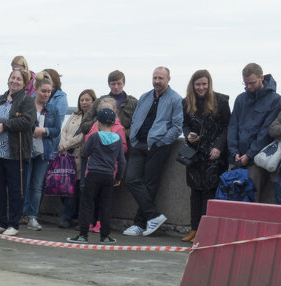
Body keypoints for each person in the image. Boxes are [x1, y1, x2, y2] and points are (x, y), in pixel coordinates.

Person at [123, 66, 182, 237]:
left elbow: (177, 127)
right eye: (155, 78)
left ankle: (139, 224)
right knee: (131, 179)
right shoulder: (145, 96)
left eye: (160, 78)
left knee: (150, 184)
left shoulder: (175, 99)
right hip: (139, 144)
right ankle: (154, 216)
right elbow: (136, 119)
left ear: (168, 79)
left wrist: (162, 142)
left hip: (158, 145)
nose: (157, 81)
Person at [0, 69, 36, 236]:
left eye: (19, 79)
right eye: (13, 77)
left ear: (25, 83)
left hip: (14, 153)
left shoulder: (26, 100)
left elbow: (28, 121)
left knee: (15, 189)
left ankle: (14, 223)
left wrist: (4, 126)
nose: (15, 81)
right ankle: (0, 222)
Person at [181, 71, 230, 241]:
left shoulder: (221, 101)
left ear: (209, 84)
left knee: (209, 192)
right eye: (198, 84)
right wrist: (188, 135)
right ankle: (194, 229)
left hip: (214, 153)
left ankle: (204, 231)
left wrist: (218, 147)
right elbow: (185, 124)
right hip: (195, 153)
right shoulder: (186, 102)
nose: (201, 87)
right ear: (192, 85)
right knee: (195, 191)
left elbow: (226, 127)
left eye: (204, 84)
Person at [68, 107, 125, 244]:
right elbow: (122, 161)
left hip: (93, 174)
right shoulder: (117, 139)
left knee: (86, 203)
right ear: (113, 124)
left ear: (98, 123)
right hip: (108, 176)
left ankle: (83, 235)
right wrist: (118, 178)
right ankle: (105, 236)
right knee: (105, 206)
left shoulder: (94, 137)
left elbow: (85, 153)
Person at [227, 63, 279, 204]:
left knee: (250, 198)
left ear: (261, 78)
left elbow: (265, 132)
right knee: (232, 197)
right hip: (236, 157)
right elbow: (233, 126)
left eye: (252, 83)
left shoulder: (275, 99)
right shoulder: (240, 99)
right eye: (245, 83)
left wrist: (249, 154)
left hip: (256, 159)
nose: (248, 87)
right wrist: (234, 151)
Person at [22, 73, 62, 231]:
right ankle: (21, 213)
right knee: (24, 183)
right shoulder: (27, 104)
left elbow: (57, 130)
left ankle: (33, 217)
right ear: (36, 90)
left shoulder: (52, 108)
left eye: (49, 92)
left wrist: (43, 130)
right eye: (43, 91)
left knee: (37, 186)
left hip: (43, 151)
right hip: (26, 148)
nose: (46, 94)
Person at [56, 88, 96, 229]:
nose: (84, 103)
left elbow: (83, 136)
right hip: (68, 157)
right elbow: (64, 130)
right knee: (65, 189)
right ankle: (68, 217)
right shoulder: (74, 115)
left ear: (93, 101)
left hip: (82, 156)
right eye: (82, 100)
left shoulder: (93, 118)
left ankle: (73, 218)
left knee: (79, 190)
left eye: (87, 100)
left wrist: (66, 144)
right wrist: (62, 144)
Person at [80, 70, 137, 135]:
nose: (116, 87)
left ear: (123, 83)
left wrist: (119, 133)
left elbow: (138, 128)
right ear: (109, 84)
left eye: (119, 83)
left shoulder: (133, 103)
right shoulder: (99, 102)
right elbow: (83, 126)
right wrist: (98, 121)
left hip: (125, 142)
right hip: (102, 142)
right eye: (113, 84)